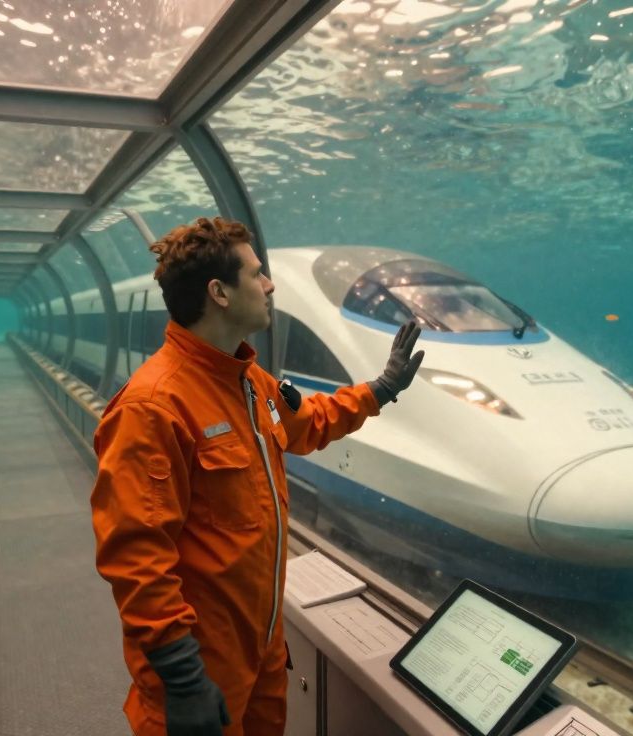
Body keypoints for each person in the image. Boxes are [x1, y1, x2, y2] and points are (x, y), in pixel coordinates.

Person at [91, 217, 424, 736]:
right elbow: (136, 558)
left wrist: (381, 389)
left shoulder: (247, 381)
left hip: (263, 650)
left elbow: (308, 422)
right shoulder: (154, 407)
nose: (269, 285)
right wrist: (182, 678)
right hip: (201, 668)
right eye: (256, 274)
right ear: (219, 293)